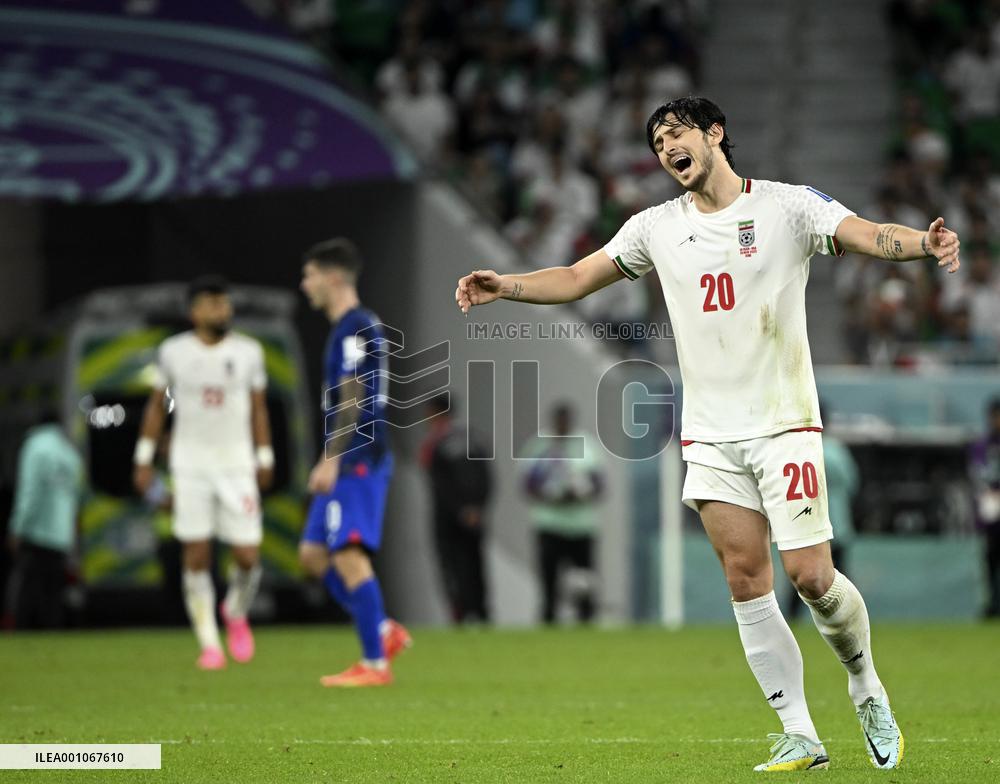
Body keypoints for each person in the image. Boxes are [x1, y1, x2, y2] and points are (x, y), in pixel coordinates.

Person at [455, 96, 962, 772]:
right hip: (710, 435)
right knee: (745, 579)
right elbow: (578, 277)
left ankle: (866, 684)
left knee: (811, 576)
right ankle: (800, 732)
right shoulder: (654, 227)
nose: (667, 148)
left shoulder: (787, 207)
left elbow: (869, 234)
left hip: (783, 422)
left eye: (676, 132)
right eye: (657, 142)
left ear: (715, 133)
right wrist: (507, 284)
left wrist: (922, 246)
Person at [133, 275, 273, 670]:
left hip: (237, 465)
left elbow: (259, 407)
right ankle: (210, 643)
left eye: (224, 303)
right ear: (194, 311)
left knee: (247, 555)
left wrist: (265, 457)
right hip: (190, 465)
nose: (221, 310)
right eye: (212, 304)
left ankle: (235, 611)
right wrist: (143, 458)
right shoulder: (173, 352)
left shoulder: (249, 352)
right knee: (196, 553)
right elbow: (157, 407)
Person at [298, 238, 412, 687]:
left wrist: (331, 458)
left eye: (309, 275)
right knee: (313, 555)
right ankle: (381, 628)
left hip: (357, 456)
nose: (304, 285)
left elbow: (353, 397)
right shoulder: (352, 327)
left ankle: (374, 663)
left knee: (346, 553)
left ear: (333, 276)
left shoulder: (355, 327)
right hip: (349, 456)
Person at [521, 402, 604, 624]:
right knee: (549, 580)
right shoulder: (539, 445)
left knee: (585, 580)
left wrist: (577, 495)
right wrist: (551, 496)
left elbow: (599, 484)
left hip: (581, 526)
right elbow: (527, 484)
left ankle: (586, 621)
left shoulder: (586, 445)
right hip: (549, 524)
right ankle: (548, 620)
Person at [5, 409, 82, 629]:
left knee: (27, 589)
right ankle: (53, 634)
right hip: (61, 535)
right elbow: (75, 498)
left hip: (37, 532)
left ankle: (21, 632)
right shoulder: (69, 453)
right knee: (53, 592)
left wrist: (17, 528)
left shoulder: (35, 446)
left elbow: (29, 491)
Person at [419, 394, 493, 624]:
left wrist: (460, 509)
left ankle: (460, 614)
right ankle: (481, 613)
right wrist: (477, 508)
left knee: (451, 565)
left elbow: (438, 482)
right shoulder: (474, 438)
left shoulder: (435, 442)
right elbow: (488, 477)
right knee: (475, 564)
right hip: (475, 514)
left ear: (435, 412)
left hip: (447, 516)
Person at [786, 404, 859, 619]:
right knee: (830, 575)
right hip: (830, 522)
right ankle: (843, 618)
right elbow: (852, 482)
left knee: (804, 574)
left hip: (811, 523)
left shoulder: (797, 449)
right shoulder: (835, 450)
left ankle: (798, 619)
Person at [969, 397, 1000, 618]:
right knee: (990, 558)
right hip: (990, 505)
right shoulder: (982, 445)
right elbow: (977, 473)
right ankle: (991, 603)